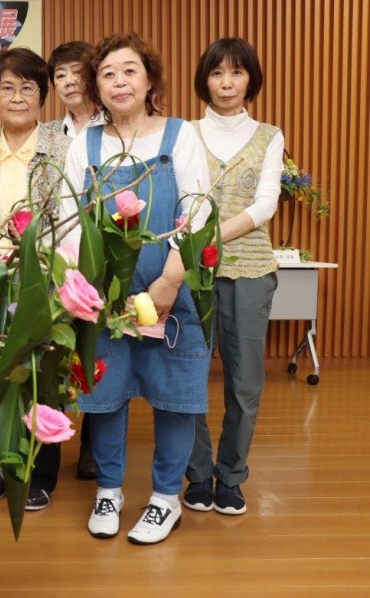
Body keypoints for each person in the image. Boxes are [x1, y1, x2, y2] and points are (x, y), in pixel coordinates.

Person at [59, 33, 212, 545]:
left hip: (169, 291)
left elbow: (198, 209)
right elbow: (68, 215)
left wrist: (170, 279)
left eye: (129, 70)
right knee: (106, 393)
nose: (119, 81)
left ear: (149, 80)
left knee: (175, 395)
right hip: (103, 296)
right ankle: (109, 490)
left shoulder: (180, 135)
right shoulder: (86, 142)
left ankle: (166, 498)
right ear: (96, 89)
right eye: (107, 73)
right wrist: (78, 286)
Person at [0, 47, 70, 511]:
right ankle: (3, 464)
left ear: (42, 95)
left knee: (43, 376)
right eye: (7, 87)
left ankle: (40, 471)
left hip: (43, 278)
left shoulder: (63, 149)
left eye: (28, 87)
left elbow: (67, 217)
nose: (17, 96)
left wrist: (33, 267)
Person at [182, 38, 284, 516]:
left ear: (251, 80)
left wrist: (210, 238)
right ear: (204, 78)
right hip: (190, 272)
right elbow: (181, 198)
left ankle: (231, 477)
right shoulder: (185, 133)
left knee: (244, 383)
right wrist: (194, 247)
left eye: (237, 73)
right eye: (217, 73)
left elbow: (265, 205)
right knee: (189, 376)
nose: (226, 83)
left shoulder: (269, 134)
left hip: (250, 270)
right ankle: (198, 475)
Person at [45, 41, 105, 482]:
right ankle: (54, 439)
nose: (68, 81)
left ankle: (94, 446)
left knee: (100, 356)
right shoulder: (49, 134)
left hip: (104, 258)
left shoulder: (116, 127)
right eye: (59, 75)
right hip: (57, 259)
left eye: (75, 72)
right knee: (59, 352)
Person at [45, 41, 105, 138]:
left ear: (94, 76)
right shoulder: (48, 134)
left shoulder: (115, 124)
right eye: (61, 75)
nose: (69, 82)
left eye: (77, 72)